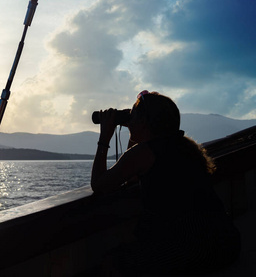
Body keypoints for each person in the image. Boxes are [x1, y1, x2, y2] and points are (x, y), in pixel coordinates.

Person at [91, 90, 241, 275]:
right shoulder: (185, 146)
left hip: (192, 249)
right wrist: (133, 128)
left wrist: (104, 137)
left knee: (111, 263)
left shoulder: (145, 153)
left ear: (145, 123)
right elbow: (133, 175)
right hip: (225, 241)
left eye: (133, 116)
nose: (130, 120)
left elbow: (99, 185)